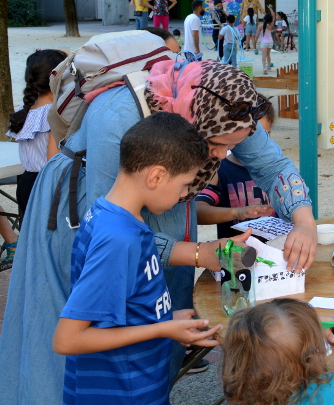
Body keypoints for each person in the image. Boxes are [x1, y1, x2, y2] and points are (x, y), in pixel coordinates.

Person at [0, 58, 318, 404]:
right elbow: (111, 226)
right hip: (79, 211)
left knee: (154, 316)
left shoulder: (227, 110)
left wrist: (304, 221)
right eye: (217, 145)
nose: (224, 156)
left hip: (157, 204)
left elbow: (272, 165)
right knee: (71, 345)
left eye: (233, 146)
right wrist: (198, 254)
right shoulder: (117, 123)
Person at [52, 113, 222, 405]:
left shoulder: (114, 214)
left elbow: (120, 302)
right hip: (119, 392)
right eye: (185, 185)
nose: (185, 194)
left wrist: (164, 317)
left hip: (137, 384)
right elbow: (67, 339)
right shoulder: (119, 239)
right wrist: (162, 328)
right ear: (156, 176)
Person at [221, 299, 334, 405]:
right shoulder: (328, 391)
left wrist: (305, 327)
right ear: (314, 356)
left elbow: (268, 326)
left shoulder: (245, 393)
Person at [3, 49, 67, 267]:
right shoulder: (54, 113)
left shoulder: (26, 109)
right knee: (49, 246)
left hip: (26, 182)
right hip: (47, 184)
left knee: (34, 243)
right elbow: (53, 159)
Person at [196, 100, 276, 238]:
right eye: (249, 136)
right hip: (236, 255)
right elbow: (197, 211)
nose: (256, 143)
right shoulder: (219, 170)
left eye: (265, 135)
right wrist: (236, 212)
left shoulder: (276, 168)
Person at [259, 6, 276, 75]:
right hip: (270, 41)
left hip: (264, 42)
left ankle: (264, 68)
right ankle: (269, 67)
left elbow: (257, 35)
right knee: (268, 55)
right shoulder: (271, 25)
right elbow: (274, 16)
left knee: (264, 55)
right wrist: (270, 8)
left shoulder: (260, 26)